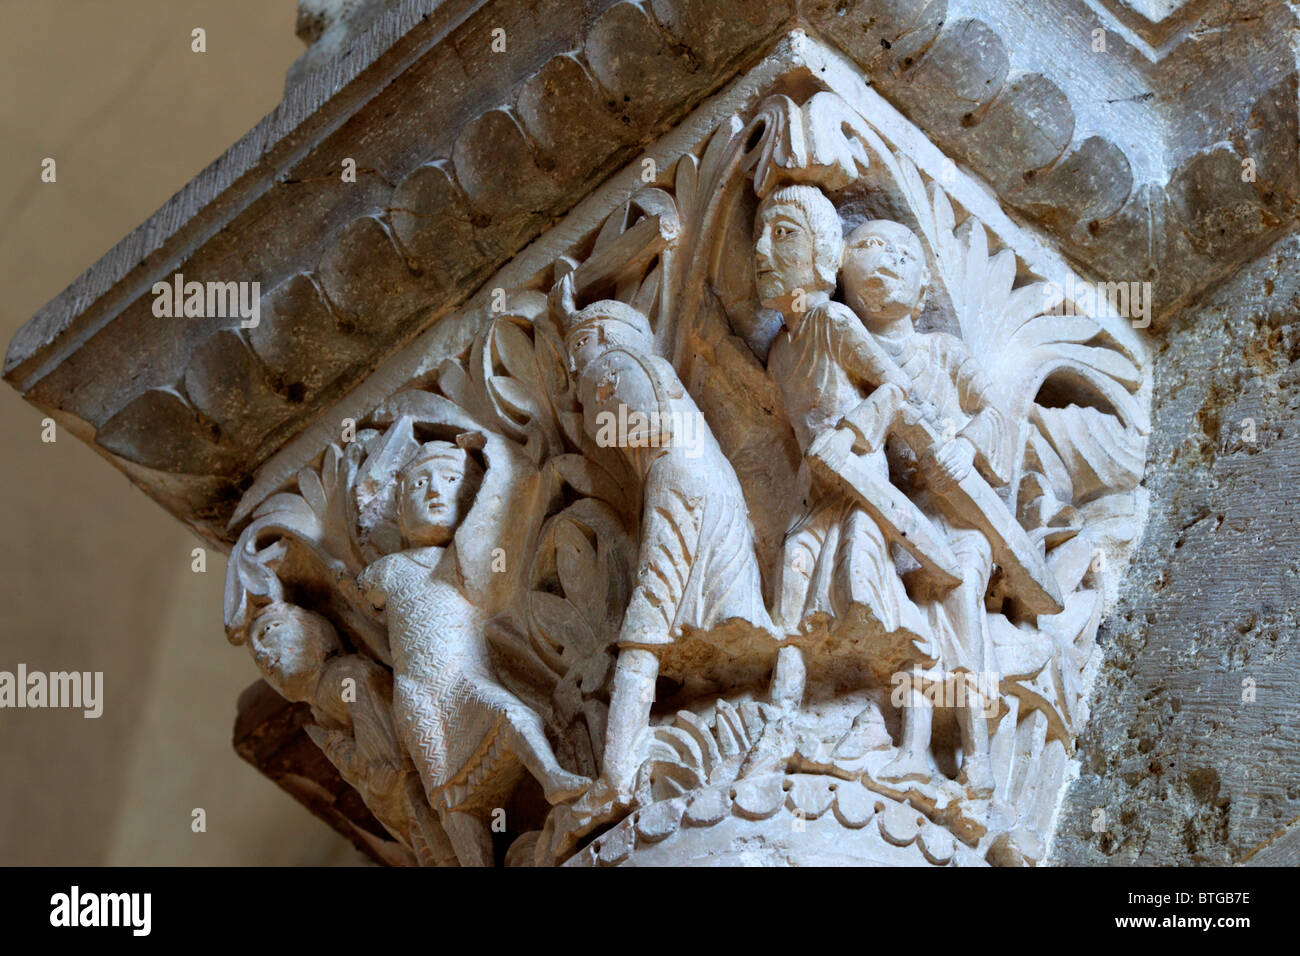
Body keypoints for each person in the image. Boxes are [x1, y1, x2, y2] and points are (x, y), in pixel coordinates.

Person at [556, 275, 777, 801]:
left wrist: (592, 398)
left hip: (677, 480)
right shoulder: (636, 366)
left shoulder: (620, 364)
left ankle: (616, 769)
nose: (574, 365)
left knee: (648, 615)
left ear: (610, 337)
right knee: (682, 604)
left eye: (581, 344)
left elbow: (646, 425)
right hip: (706, 481)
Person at [358, 440, 589, 865]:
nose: (433, 491)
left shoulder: (464, 558)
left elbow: (496, 531)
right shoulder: (387, 570)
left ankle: (552, 777)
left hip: (464, 677)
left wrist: (494, 456)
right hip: (417, 694)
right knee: (448, 795)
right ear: (398, 510)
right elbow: (360, 594)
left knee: (512, 714)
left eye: (449, 481)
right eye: (418, 484)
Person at [245, 600, 456, 866]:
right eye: (256, 656)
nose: (264, 655)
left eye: (269, 630)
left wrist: (367, 772)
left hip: (422, 799)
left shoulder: (346, 675)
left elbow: (388, 766)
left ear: (313, 630)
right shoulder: (320, 712)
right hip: (406, 811)